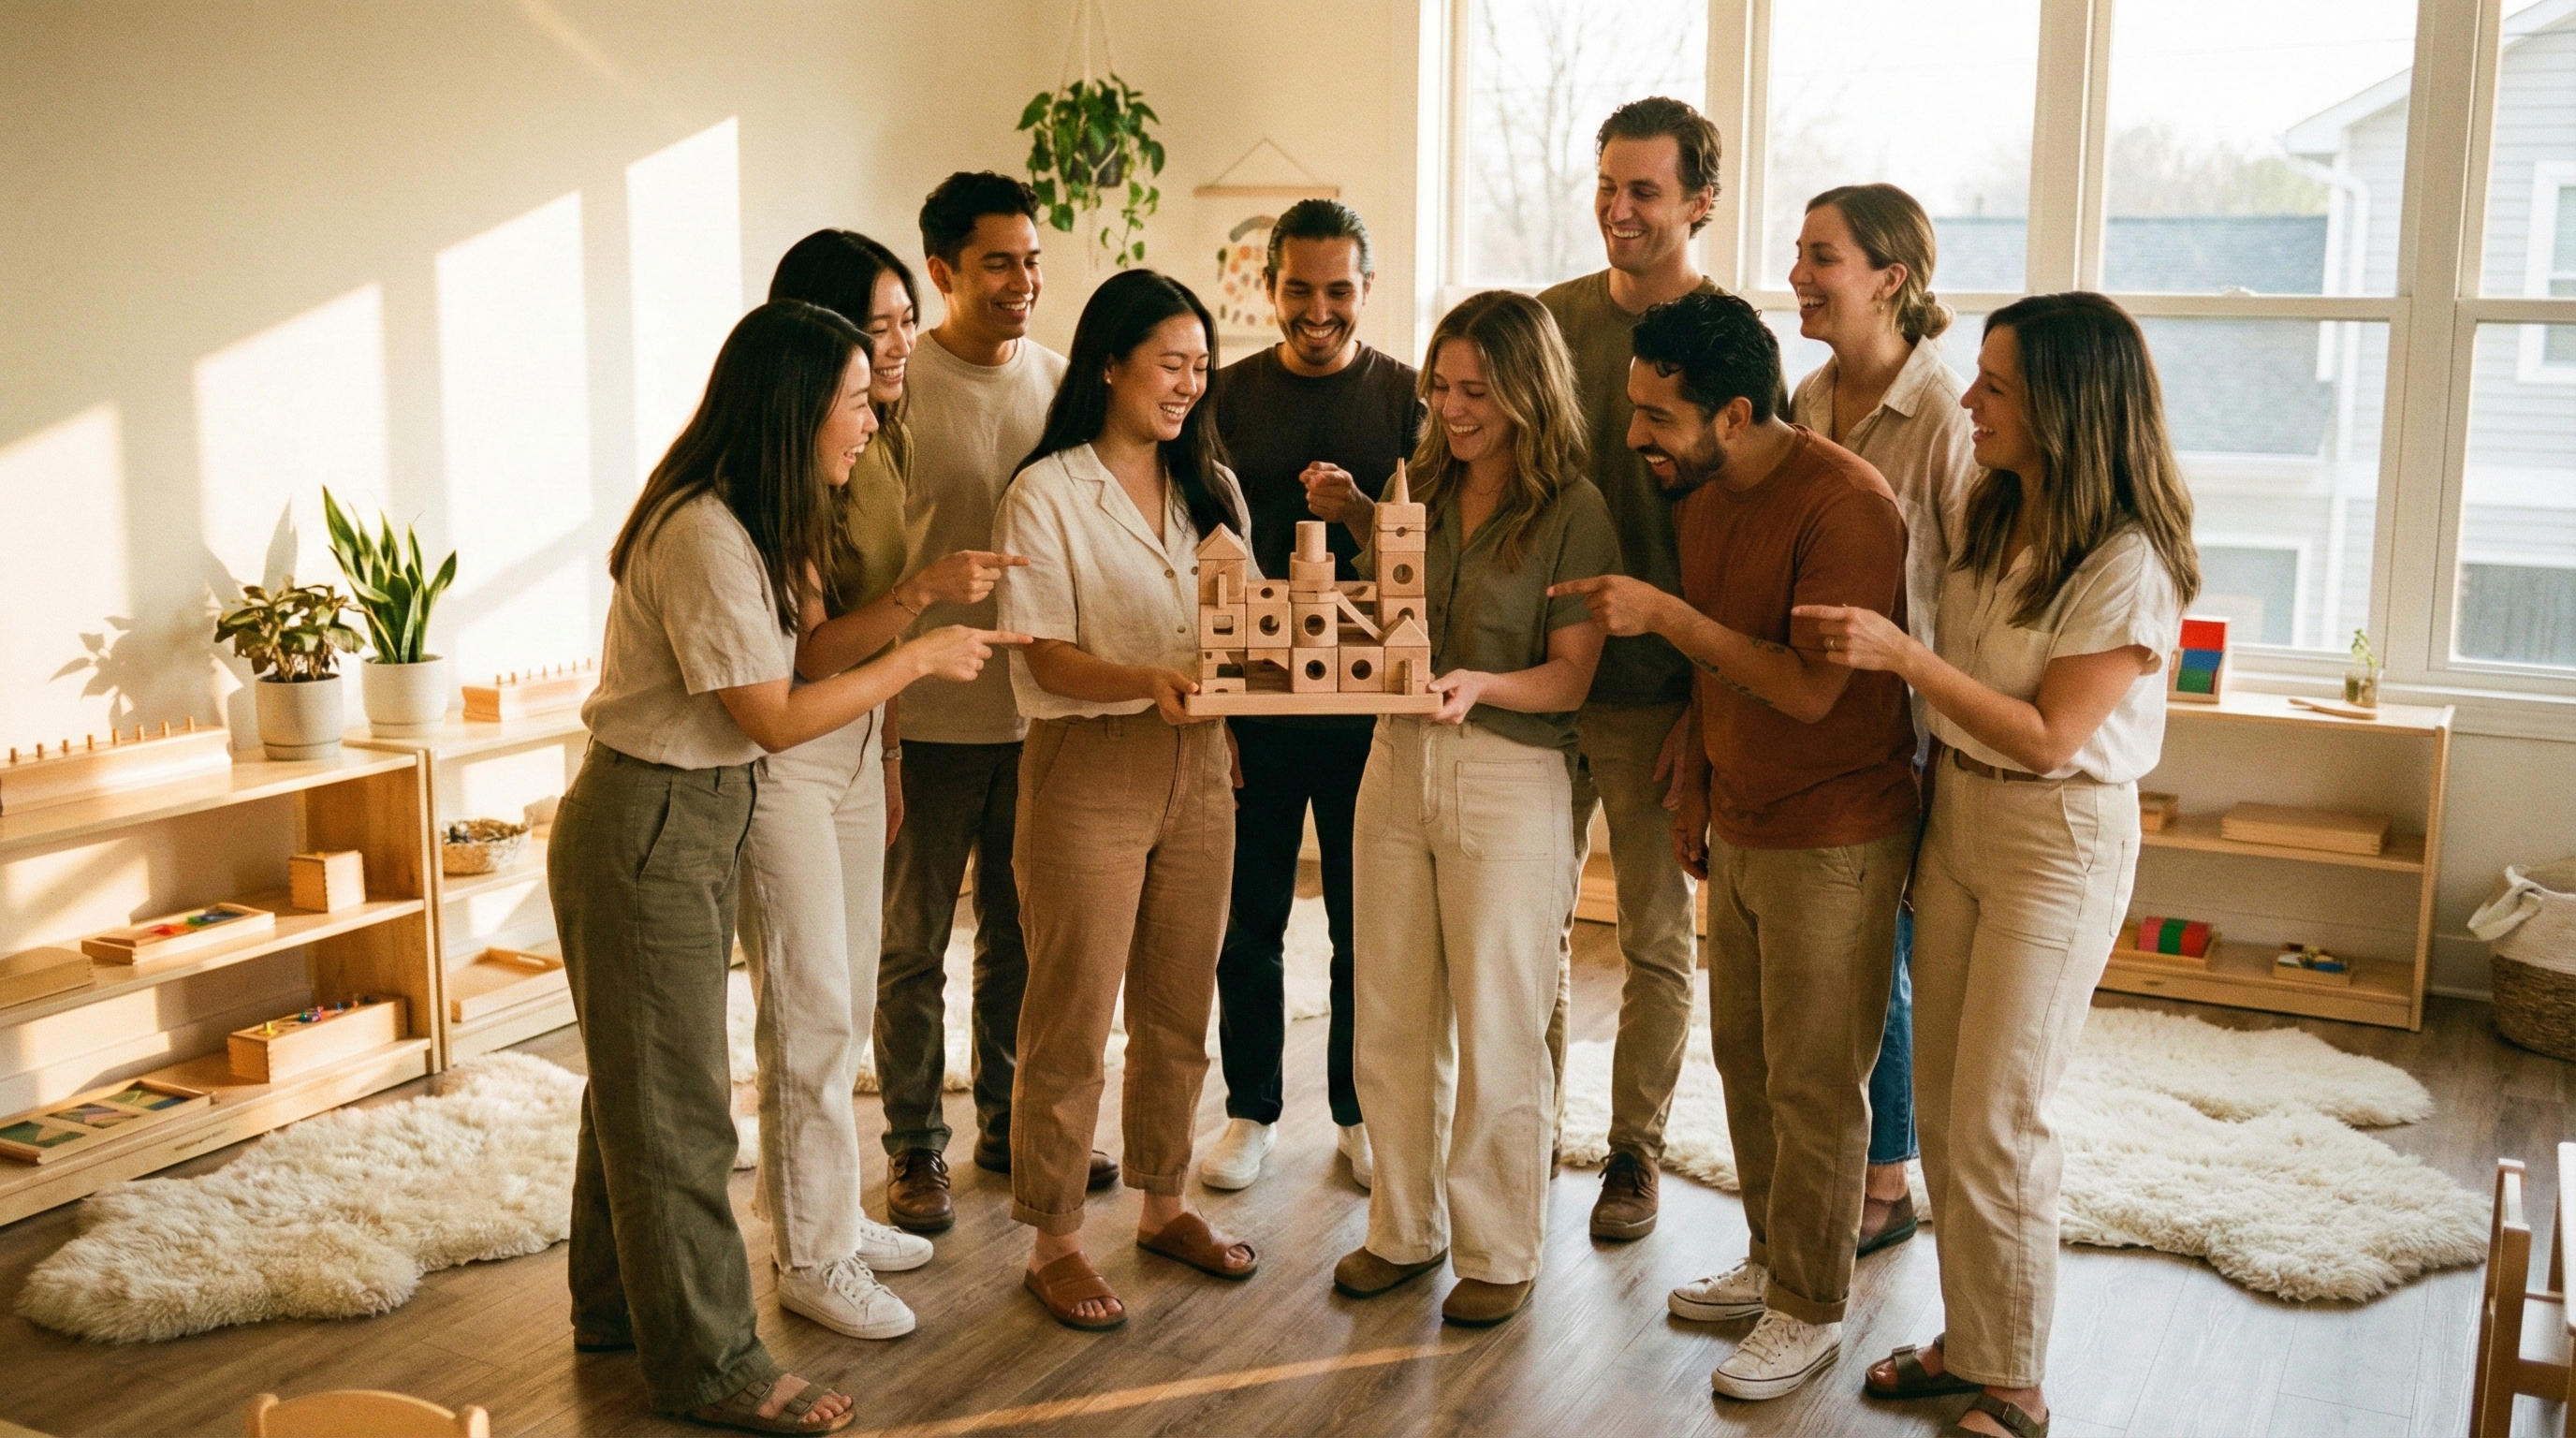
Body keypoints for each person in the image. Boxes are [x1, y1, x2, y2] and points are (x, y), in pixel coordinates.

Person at [552, 299, 1019, 1433]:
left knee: (639, 1088)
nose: (871, 418)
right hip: (650, 820)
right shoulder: (704, 533)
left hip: (689, 814)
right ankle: (709, 1365)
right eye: (856, 398)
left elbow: (787, 663)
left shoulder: (748, 518)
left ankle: (617, 1308)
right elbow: (771, 713)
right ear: (796, 405)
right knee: (678, 1113)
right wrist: (918, 659)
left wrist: (907, 608)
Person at [1810, 293, 2198, 1438]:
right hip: (1961, 818)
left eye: (1995, 386)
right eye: (1975, 377)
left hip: (2056, 837)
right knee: (1939, 1112)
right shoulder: (1995, 510)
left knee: (1998, 1116)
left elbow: (2045, 734)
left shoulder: (2131, 561)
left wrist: (1898, 658)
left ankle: (2015, 1384)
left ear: (2069, 407)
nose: (1969, 401)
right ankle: (1973, 1342)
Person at [1552, 291, 1916, 1401]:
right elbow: (1723, 670)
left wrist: (1662, 617)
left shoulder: (1847, 508)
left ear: (1736, 412)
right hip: (1745, 822)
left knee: (1816, 1082)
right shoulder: (1703, 495)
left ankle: (1811, 1307)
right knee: (1748, 1065)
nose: (1633, 440)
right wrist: (1699, 777)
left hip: (1838, 832)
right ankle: (1770, 1263)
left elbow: (1810, 690)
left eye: (1656, 418)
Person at [734, 230, 1030, 1341]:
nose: (902, 346)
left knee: (846, 996)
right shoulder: (782, 465)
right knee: (809, 1012)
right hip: (795, 746)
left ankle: (826, 1217)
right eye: (881, 328)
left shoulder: (879, 437)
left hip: (857, 743)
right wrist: (923, 606)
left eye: (908, 320)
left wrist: (893, 752)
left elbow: (866, 633)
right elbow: (813, 649)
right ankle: (811, 1257)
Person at [1334, 290, 1617, 1329]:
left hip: (1510, 772)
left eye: (1475, 391)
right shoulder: (1411, 493)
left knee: (1499, 1018)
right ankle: (1401, 1230)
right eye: (1440, 388)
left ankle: (1500, 1247)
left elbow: (1572, 678)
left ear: (1526, 391)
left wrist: (1480, 686)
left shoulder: (1574, 510)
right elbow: (1383, 621)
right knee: (1393, 1013)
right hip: (1394, 760)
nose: (1452, 408)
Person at [992, 269, 1261, 1329]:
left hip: (1200, 769)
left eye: (1201, 367)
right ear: (1109, 363)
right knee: (1070, 1014)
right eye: (1170, 364)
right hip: (1085, 767)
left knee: (1178, 1005)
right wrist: (1145, 680)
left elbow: (1244, 633)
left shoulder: (1213, 488)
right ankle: (1053, 1238)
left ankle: (1163, 1201)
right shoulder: (1045, 492)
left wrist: (1233, 713)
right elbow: (1044, 657)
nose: (1189, 385)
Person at [877, 172, 1117, 1237]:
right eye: (997, 263)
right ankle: (913, 1148)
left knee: (1023, 934)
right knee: (913, 942)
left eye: (1032, 260)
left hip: (1035, 716)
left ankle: (1010, 1122)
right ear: (941, 272)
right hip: (922, 721)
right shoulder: (893, 392)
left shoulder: (1065, 387)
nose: (1023, 282)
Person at [1198, 198, 1424, 1193]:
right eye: (1299, 289)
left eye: (1339, 290)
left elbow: (1428, 561)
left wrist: (1358, 512)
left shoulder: (1412, 403)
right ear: (1268, 288)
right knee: (1246, 921)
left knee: (1361, 924)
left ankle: (1357, 1108)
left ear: (1366, 289)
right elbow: (1194, 551)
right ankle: (1250, 1112)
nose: (1318, 309)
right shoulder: (1225, 399)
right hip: (1253, 709)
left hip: (1367, 714)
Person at [1536, 95, 1725, 1241]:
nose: (1617, 209)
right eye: (1606, 186)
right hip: (1540, 689)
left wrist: (1706, 714)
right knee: (1530, 930)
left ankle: (1633, 1157)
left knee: (1656, 943)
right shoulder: (1548, 325)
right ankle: (1526, 1130)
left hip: (1663, 698)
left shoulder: (1728, 337)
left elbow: (1746, 538)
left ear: (1699, 200)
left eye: (1643, 190)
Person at [1784, 183, 1980, 1255]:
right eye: (1800, 253)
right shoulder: (1806, 403)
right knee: (1846, 962)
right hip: (1812, 723)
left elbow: (1968, 596)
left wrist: (1940, 752)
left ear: (1889, 279)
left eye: (1822, 257)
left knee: (1886, 958)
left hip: (1906, 733)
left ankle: (1887, 1180)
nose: (1799, 275)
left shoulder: (1948, 417)